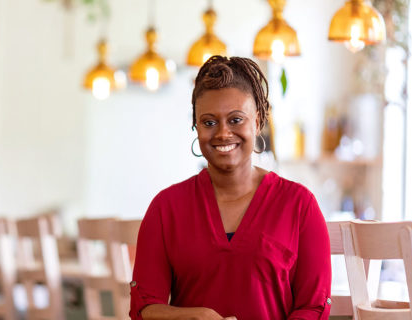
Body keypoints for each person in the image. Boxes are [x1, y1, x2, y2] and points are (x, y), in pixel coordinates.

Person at [129, 56, 331, 320]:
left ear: (258, 121)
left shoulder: (299, 204)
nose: (223, 133)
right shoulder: (166, 208)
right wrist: (195, 316)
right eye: (209, 122)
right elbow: (143, 309)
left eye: (236, 120)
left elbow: (313, 307)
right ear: (196, 126)